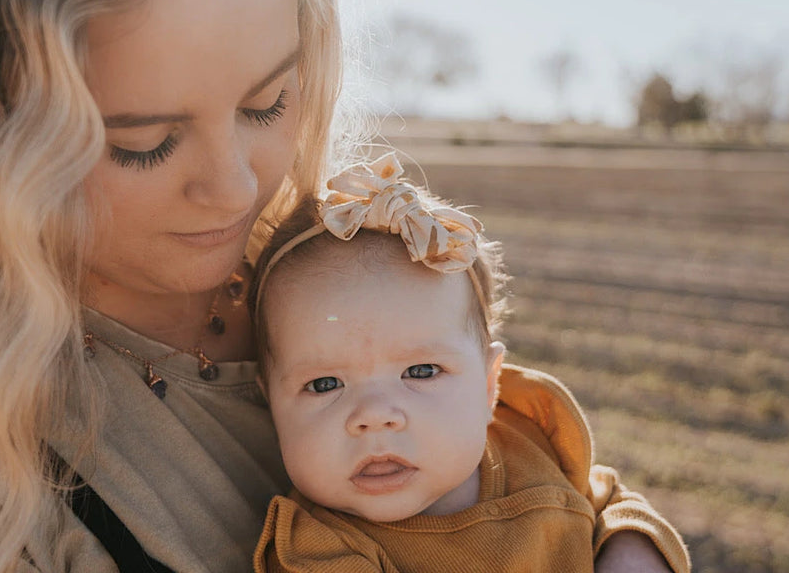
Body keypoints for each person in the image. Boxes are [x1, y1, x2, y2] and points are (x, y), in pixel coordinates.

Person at [0, 0, 682, 571]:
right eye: (141, 141)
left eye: (267, 104)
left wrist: (625, 535)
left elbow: (542, 483)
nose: (236, 189)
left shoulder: (334, 274)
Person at [250, 153, 690, 572]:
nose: (375, 416)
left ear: (487, 387)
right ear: (270, 401)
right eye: (325, 383)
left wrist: (632, 545)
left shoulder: (531, 437)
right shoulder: (318, 551)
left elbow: (605, 498)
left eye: (420, 372)